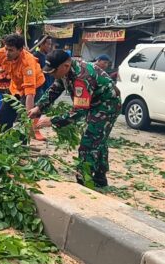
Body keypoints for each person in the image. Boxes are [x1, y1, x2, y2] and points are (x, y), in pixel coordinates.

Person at [28, 50, 122, 188]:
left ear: (65, 66)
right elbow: (55, 89)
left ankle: (84, 182)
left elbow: (79, 111)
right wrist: (39, 107)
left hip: (106, 105)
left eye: (53, 72)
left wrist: (52, 120)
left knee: (89, 141)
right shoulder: (66, 71)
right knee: (98, 139)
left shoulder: (82, 78)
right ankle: (100, 178)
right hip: (94, 103)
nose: (52, 75)